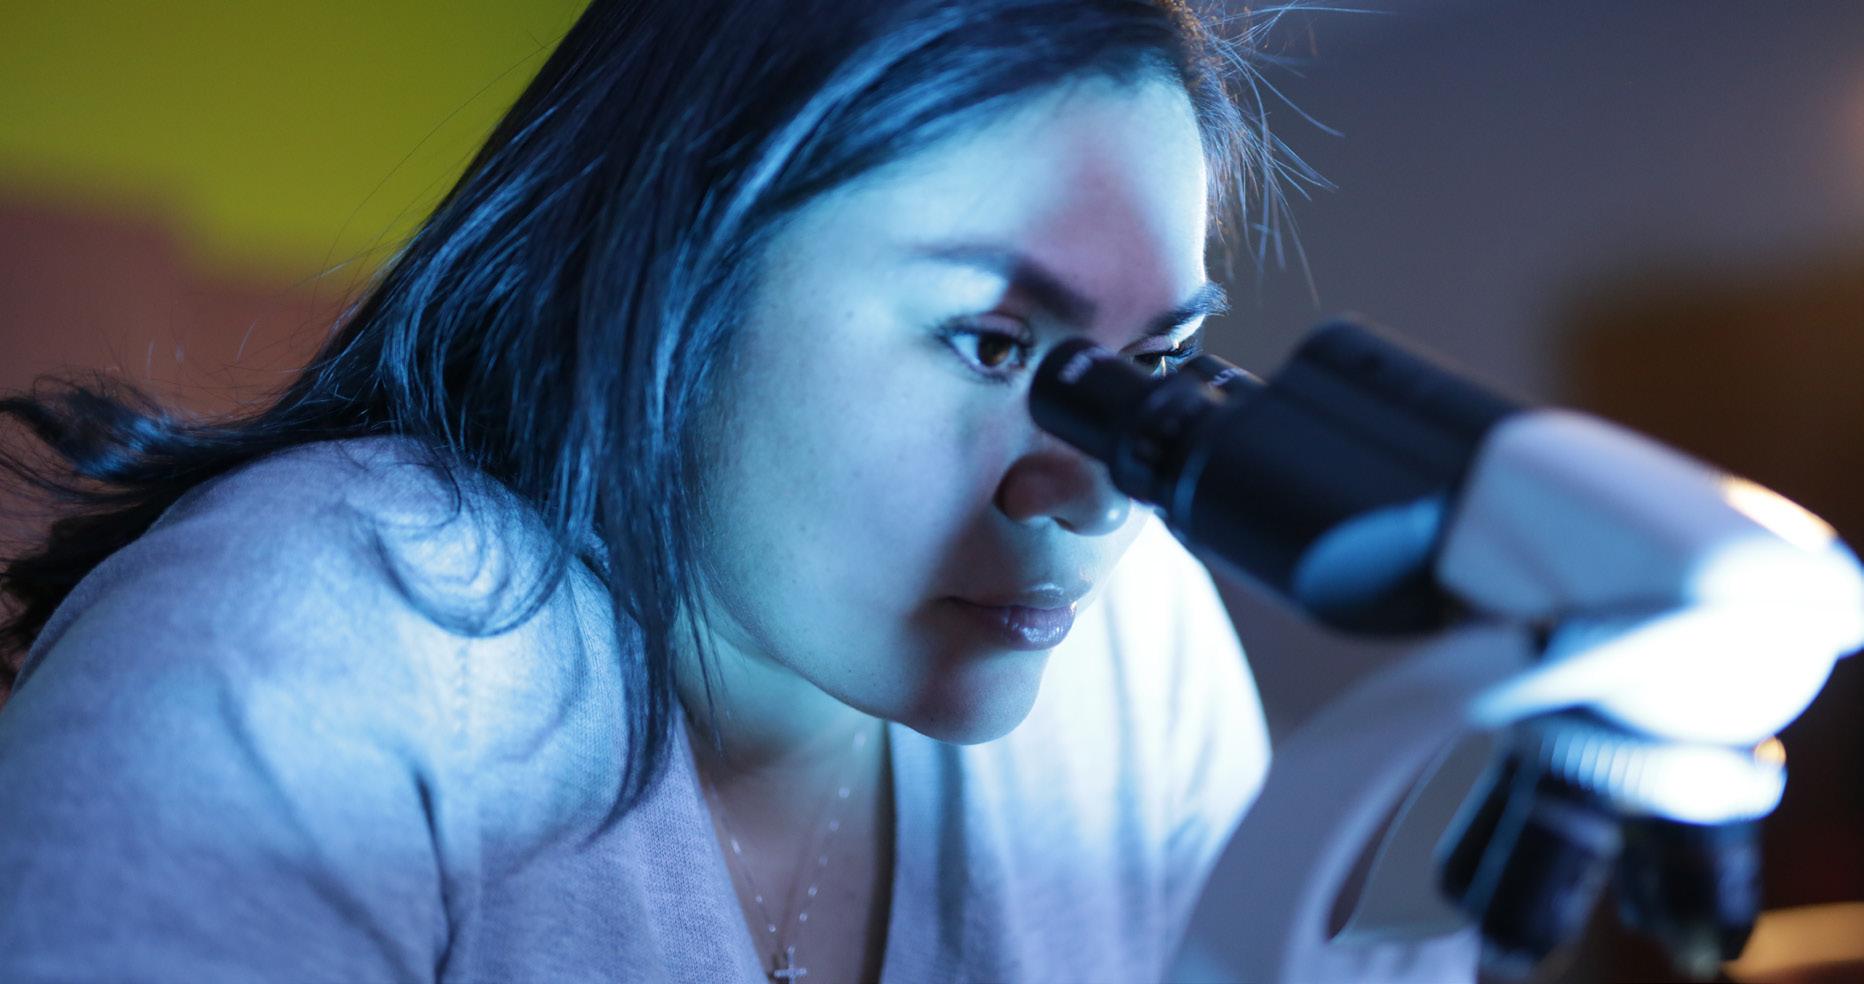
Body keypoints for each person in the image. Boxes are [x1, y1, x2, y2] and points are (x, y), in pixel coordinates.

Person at [0, 1, 1285, 980]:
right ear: (682, 274)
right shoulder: (304, 642)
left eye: (1157, 361)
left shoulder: (1142, 655)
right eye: (994, 346)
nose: (1097, 500)